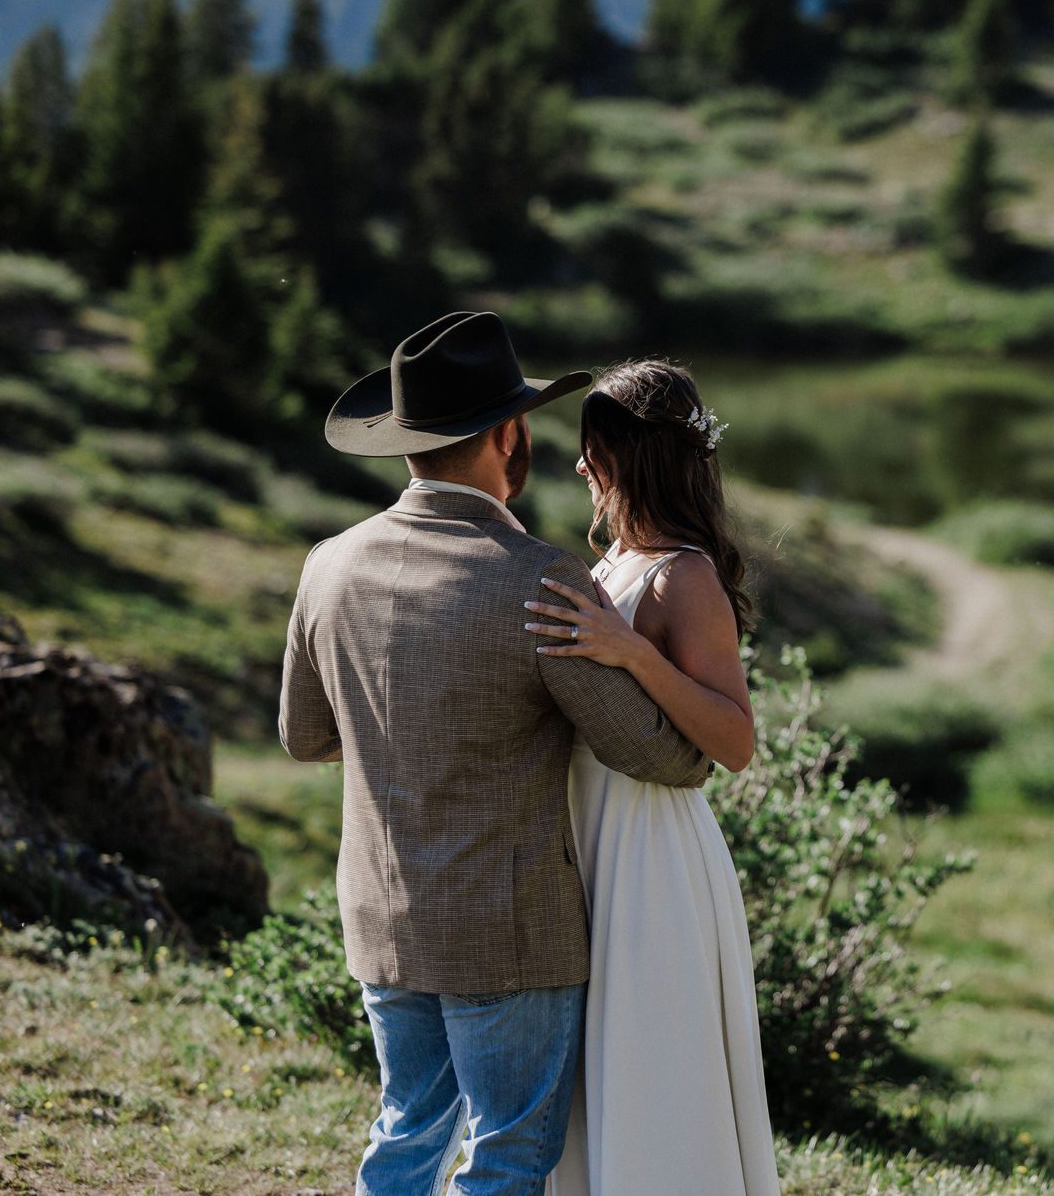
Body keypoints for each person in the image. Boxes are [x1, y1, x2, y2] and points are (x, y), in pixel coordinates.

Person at [278, 313, 714, 1195]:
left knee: (405, 1132)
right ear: (508, 437)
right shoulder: (538, 579)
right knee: (507, 1158)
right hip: (510, 936)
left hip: (382, 915)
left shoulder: (328, 564)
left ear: (404, 443)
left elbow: (305, 736)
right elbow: (661, 757)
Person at [524, 359, 780, 1196]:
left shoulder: (684, 575)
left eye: (591, 447)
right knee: (594, 1065)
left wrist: (633, 653)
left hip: (649, 849)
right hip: (589, 835)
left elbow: (735, 741)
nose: (578, 465)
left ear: (632, 456)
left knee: (653, 1059)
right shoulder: (611, 568)